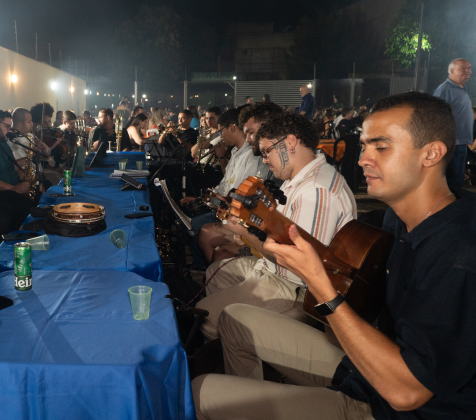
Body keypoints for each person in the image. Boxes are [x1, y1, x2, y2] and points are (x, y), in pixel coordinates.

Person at [192, 91, 476, 420]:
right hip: (364, 370)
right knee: (234, 320)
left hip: (388, 407)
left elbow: (407, 391)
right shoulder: (396, 220)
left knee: (201, 392)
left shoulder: (459, 254)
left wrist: (321, 286)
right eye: (365, 145)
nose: (363, 159)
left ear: (432, 153)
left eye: (381, 147)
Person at [195, 113, 356, 341]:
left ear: (290, 142)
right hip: (277, 272)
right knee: (215, 273)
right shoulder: (299, 178)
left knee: (205, 317)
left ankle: (242, 346)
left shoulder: (316, 191)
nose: (264, 159)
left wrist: (246, 234)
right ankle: (240, 344)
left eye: (267, 151)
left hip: (294, 288)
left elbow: (297, 267)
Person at [182, 106, 260, 270]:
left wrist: (215, 199)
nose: (221, 135)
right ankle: (203, 266)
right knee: (188, 213)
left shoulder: (250, 157)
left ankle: (203, 267)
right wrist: (203, 198)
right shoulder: (237, 153)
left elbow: (238, 194)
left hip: (233, 211)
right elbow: (225, 183)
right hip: (223, 203)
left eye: (222, 131)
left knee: (195, 224)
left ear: (232, 127)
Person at [433, 58, 472, 189]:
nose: (467, 71)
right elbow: (436, 114)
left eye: (469, 68)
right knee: (452, 177)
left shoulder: (462, 88)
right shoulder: (445, 89)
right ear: (451, 70)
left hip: (461, 141)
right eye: (463, 68)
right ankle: (448, 206)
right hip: (450, 142)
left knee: (459, 176)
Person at [239, 102, 282, 181]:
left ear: (268, 127)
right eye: (246, 134)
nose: (247, 139)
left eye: (251, 133)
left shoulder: (281, 166)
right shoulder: (261, 159)